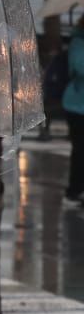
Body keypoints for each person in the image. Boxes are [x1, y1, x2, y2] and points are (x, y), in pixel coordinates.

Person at [65, 27, 84, 202]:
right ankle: (75, 189)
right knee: (80, 150)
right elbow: (79, 66)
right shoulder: (78, 42)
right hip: (77, 106)